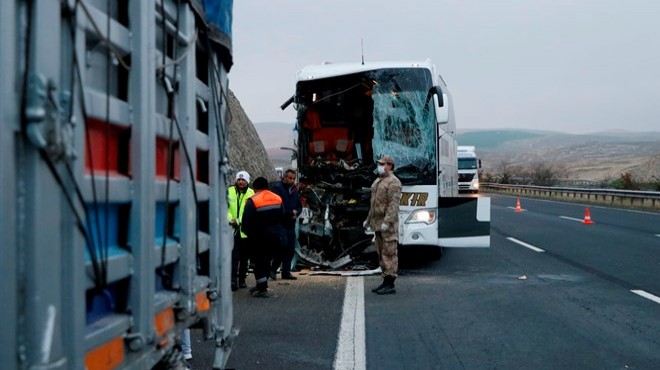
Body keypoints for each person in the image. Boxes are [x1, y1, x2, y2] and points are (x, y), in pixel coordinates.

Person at [364, 155, 402, 295]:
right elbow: (374, 204)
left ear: (389, 166)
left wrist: (387, 222)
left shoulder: (393, 182)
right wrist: (368, 220)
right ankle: (385, 280)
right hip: (377, 223)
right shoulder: (378, 181)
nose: (379, 166)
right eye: (379, 163)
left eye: (382, 163)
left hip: (388, 225)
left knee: (389, 252)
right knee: (381, 253)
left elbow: (393, 205)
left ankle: (390, 283)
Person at [241, 177, 285, 298]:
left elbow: (246, 221)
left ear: (254, 188)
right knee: (266, 260)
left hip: (259, 237)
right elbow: (282, 216)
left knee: (258, 262)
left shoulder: (252, 200)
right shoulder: (277, 198)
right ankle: (262, 284)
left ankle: (262, 288)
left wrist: (248, 234)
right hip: (275, 236)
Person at [270, 169, 302, 280]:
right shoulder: (277, 188)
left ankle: (286, 271)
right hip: (280, 223)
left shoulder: (294, 190)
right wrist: (290, 213)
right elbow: (278, 205)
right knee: (281, 247)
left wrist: (297, 213)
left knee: (290, 248)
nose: (292, 180)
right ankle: (273, 269)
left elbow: (299, 205)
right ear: (284, 177)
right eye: (290, 178)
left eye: (293, 178)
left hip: (291, 224)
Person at [228, 170, 255, 291]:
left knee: (244, 258)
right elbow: (225, 207)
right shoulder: (229, 191)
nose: (240, 182)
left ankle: (242, 280)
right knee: (233, 257)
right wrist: (230, 219)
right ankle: (232, 281)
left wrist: (238, 221)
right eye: (239, 179)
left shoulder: (251, 193)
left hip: (245, 231)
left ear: (247, 181)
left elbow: (249, 212)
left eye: (243, 180)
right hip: (232, 230)